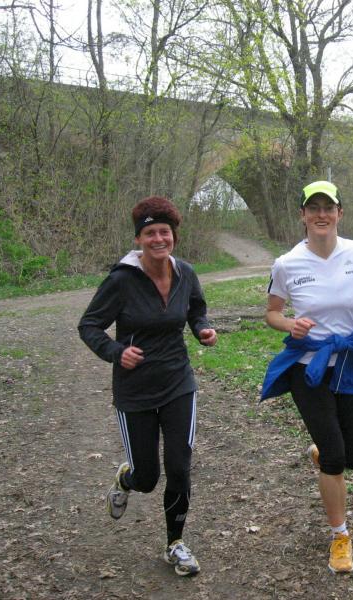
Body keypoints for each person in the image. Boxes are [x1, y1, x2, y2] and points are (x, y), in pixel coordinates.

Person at [78, 196, 217, 576]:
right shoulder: (121, 281)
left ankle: (175, 543)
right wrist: (116, 352)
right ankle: (127, 478)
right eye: (150, 232)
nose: (158, 239)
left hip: (178, 381)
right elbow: (89, 325)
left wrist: (202, 329)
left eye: (164, 232)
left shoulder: (185, 272)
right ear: (138, 239)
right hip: (135, 390)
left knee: (180, 467)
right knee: (147, 479)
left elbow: (196, 309)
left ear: (174, 236)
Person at [261, 180, 353, 574]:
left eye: (328, 208)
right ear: (302, 215)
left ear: (339, 213)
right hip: (309, 368)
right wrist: (290, 325)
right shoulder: (287, 263)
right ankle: (340, 536)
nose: (321, 214)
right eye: (313, 208)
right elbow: (272, 313)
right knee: (335, 458)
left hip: (350, 362)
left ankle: (321, 452)